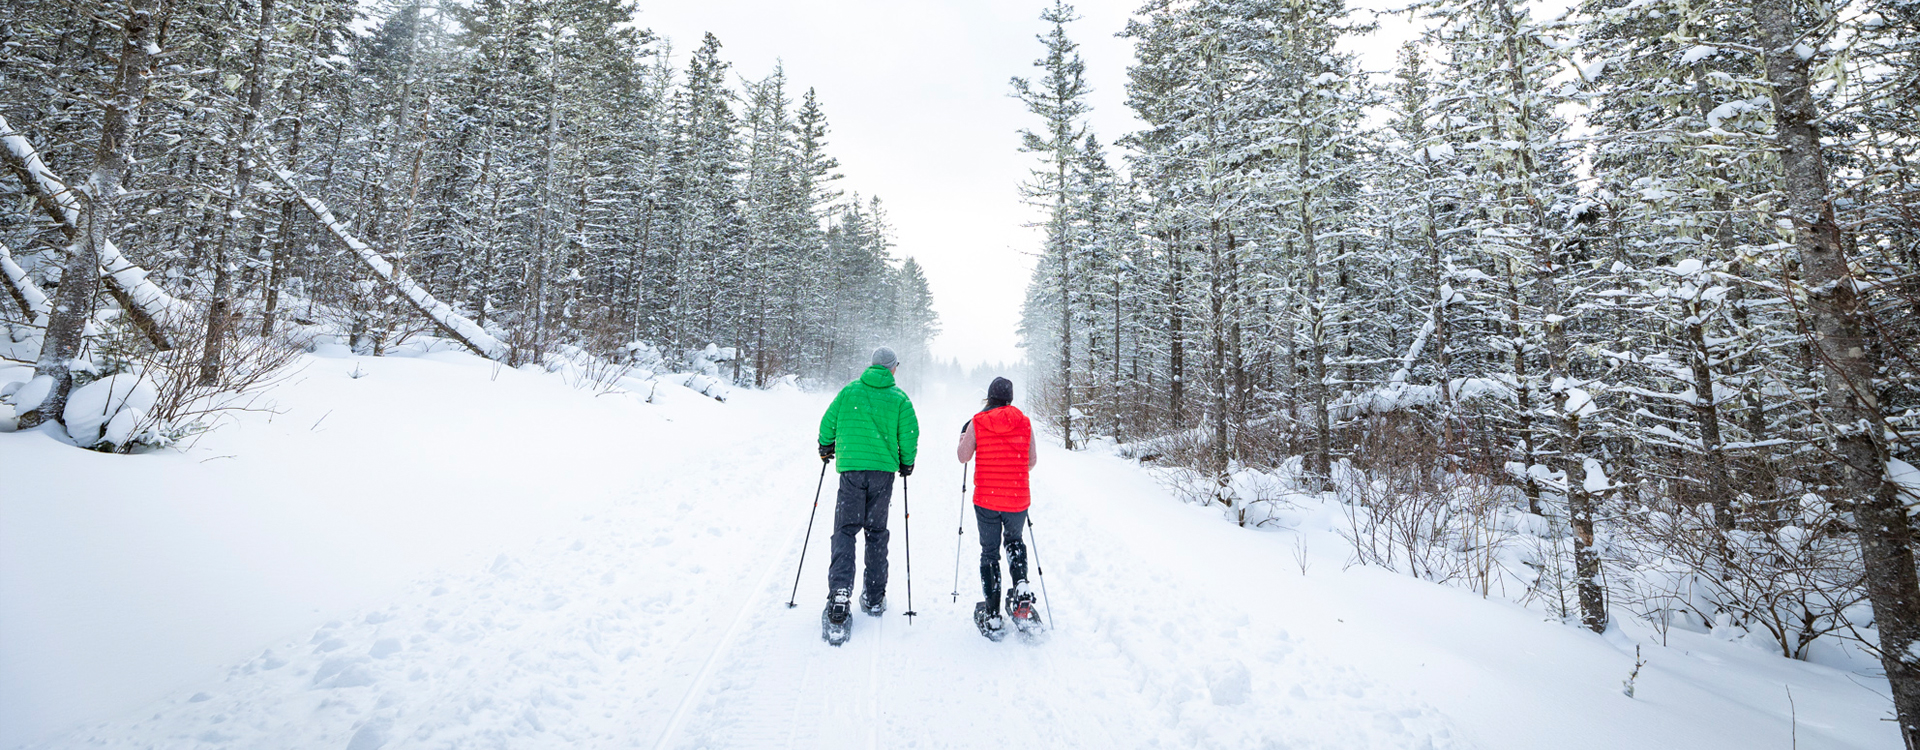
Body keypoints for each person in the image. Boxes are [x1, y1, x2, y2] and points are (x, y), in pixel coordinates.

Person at [816, 347, 920, 643]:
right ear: (890, 369)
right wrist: (907, 462)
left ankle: (839, 594)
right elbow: (910, 433)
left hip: (851, 471)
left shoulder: (850, 391)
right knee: (876, 532)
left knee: (846, 531)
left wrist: (826, 446)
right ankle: (874, 596)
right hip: (882, 474)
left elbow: (828, 422)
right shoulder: (899, 399)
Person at [956, 376, 1040, 640]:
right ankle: (1021, 588)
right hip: (1016, 499)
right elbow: (1031, 462)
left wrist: (963, 438)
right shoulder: (1025, 423)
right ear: (1011, 398)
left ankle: (992, 614)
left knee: (990, 553)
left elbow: (963, 457)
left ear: (990, 399)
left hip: (987, 500)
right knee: (1014, 542)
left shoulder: (977, 422)